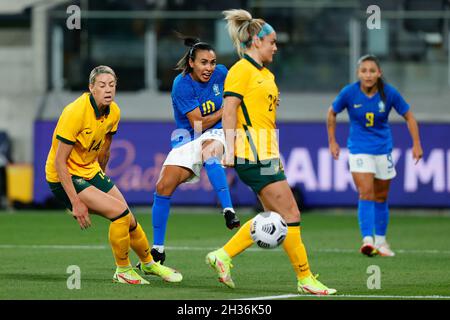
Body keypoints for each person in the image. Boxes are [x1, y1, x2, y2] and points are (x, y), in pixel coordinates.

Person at [205, 9, 337, 295]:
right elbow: (229, 110)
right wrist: (228, 150)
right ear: (256, 42)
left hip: (266, 152)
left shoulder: (265, 74)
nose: (276, 47)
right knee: (290, 213)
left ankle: (222, 255)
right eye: (272, 42)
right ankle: (305, 279)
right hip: (253, 155)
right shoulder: (241, 70)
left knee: (272, 217)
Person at [45, 65, 182, 284]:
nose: (108, 90)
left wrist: (101, 183)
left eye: (112, 85)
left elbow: (105, 150)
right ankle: (123, 270)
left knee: (128, 217)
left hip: (90, 170)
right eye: (102, 85)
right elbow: (60, 162)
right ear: (91, 88)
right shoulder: (75, 112)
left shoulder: (114, 112)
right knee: (119, 213)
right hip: (63, 176)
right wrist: (75, 202)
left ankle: (149, 264)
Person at [149, 35, 240, 265]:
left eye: (212, 62)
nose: (209, 67)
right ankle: (158, 250)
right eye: (203, 62)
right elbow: (198, 124)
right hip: (189, 136)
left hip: (218, 132)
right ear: (192, 63)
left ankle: (228, 210)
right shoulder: (182, 84)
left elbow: (243, 90)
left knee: (210, 152)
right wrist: (227, 108)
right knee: (162, 186)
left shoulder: (222, 73)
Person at [327, 54, 423, 257]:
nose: (368, 75)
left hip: (383, 149)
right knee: (366, 192)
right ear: (358, 73)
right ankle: (367, 240)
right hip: (359, 149)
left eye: (372, 71)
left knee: (381, 196)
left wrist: (416, 144)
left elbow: (409, 116)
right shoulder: (349, 93)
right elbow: (332, 112)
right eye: (364, 71)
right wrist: (332, 141)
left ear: (379, 73)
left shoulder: (388, 93)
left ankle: (381, 241)